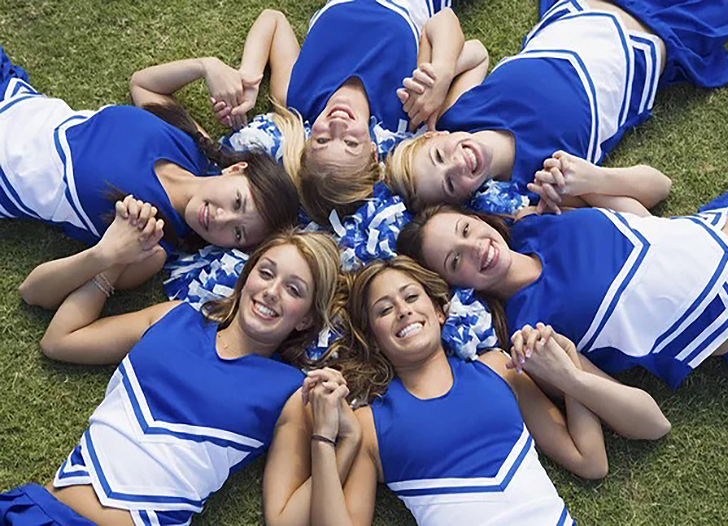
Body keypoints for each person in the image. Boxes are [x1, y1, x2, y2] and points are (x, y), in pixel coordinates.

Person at [0, 202, 349, 526]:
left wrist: (345, 439)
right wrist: (113, 255)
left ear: (305, 319)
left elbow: (284, 518)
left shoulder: (290, 391)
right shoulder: (175, 317)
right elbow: (60, 340)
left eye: (294, 290)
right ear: (246, 278)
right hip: (37, 511)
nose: (272, 291)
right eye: (266, 272)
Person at [304, 257, 669, 526]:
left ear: (440, 310)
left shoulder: (497, 368)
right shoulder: (369, 425)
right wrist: (323, 437)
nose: (402, 311)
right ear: (374, 339)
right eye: (384, 310)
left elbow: (591, 461)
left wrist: (566, 368)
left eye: (411, 297)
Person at [130, 3, 490, 223]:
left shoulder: (295, 98)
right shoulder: (408, 107)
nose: (336, 123)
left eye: (320, 138)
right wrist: (442, 72)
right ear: (373, 151)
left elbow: (273, 20)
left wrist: (250, 74)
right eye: (349, 142)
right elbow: (452, 29)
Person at [0, 46, 300, 300]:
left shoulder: (151, 242)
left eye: (237, 233)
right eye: (237, 202)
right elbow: (143, 85)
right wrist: (206, 66)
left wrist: (106, 253)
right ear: (235, 170)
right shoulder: (193, 145)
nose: (222, 218)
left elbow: (34, 294)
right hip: (14, 95)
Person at [386, 0, 728, 214]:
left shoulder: (457, 115)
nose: (457, 164)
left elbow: (476, 52)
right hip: (659, 31)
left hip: (579, 8)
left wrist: (441, 74)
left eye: (439, 157)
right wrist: (592, 179)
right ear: (462, 201)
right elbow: (658, 188)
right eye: (449, 184)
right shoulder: (539, 184)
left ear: (435, 137)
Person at [397, 203, 728, 388]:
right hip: (721, 309)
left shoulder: (535, 224)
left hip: (716, 222)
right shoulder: (529, 334)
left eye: (466, 229)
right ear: (455, 288)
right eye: (455, 260)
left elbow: (645, 215)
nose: (475, 248)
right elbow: (607, 392)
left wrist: (588, 177)